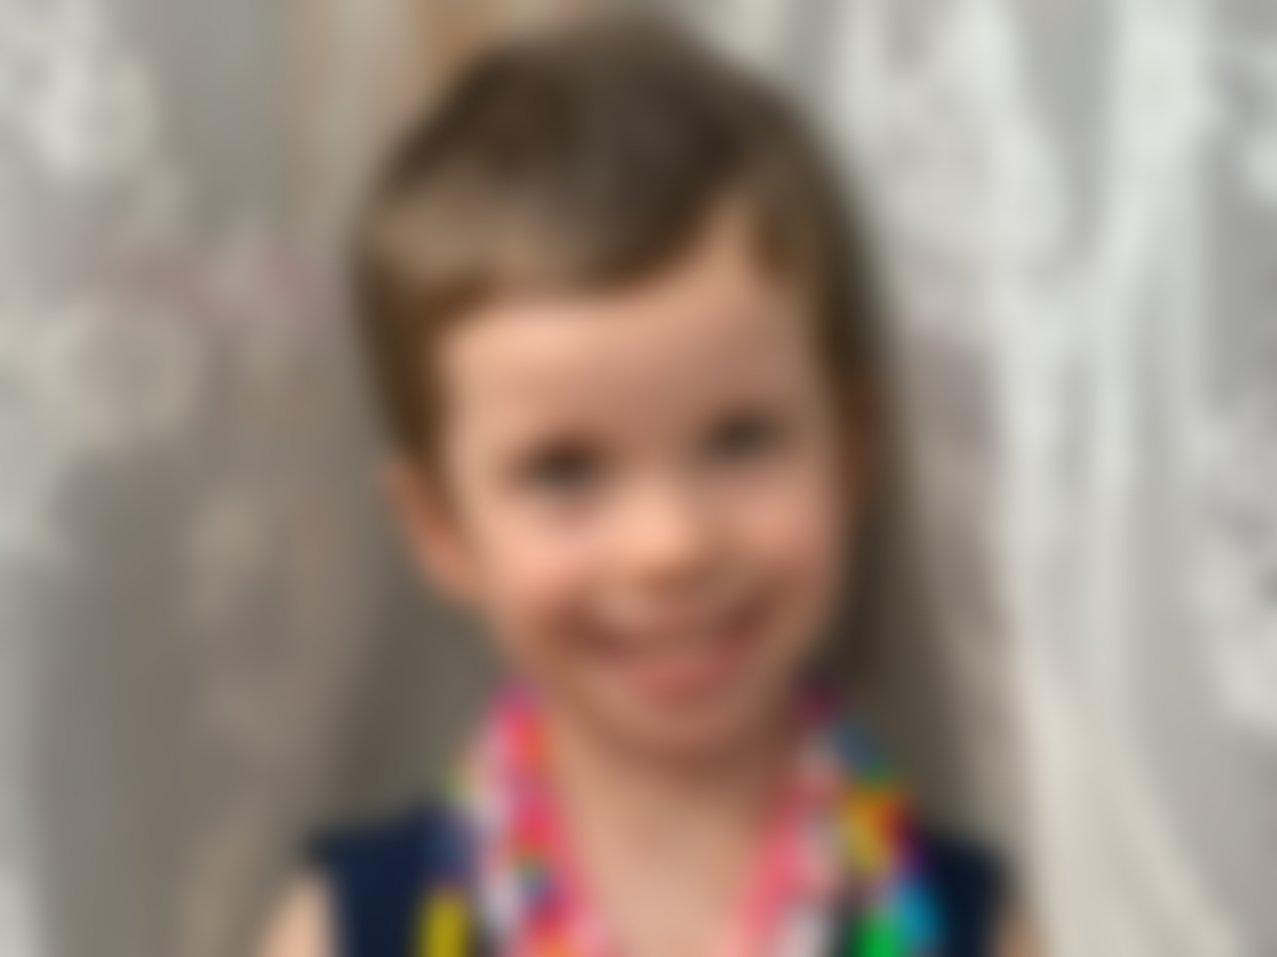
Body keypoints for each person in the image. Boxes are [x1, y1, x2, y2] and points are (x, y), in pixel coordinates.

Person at [260, 14, 1035, 957]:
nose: (669, 543)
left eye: (740, 439)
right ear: (441, 529)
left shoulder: (972, 929)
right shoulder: (343, 932)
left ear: (851, 446)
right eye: (565, 469)